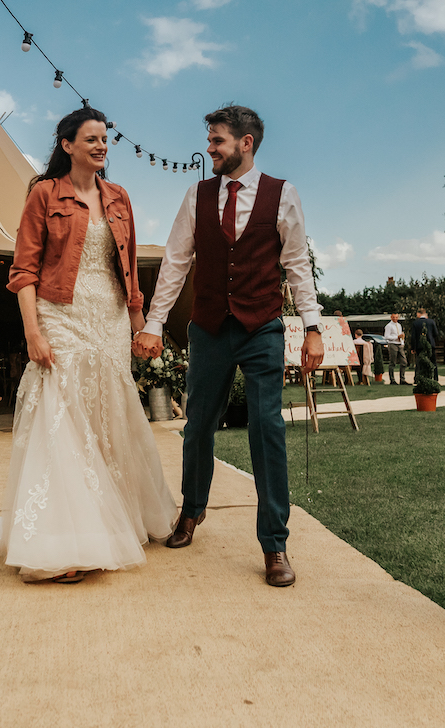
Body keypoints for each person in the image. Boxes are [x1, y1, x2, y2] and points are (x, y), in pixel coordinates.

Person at [0, 108, 178, 583]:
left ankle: (115, 519)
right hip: (61, 314)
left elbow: (130, 269)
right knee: (63, 418)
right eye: (92, 139)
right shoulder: (43, 194)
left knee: (109, 415)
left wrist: (142, 326)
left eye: (105, 139)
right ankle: (60, 540)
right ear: (67, 145)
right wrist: (34, 332)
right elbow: (23, 271)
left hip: (110, 320)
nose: (101, 146)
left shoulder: (118, 198)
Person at [133, 103, 323, 588]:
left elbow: (298, 263)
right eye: (211, 140)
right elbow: (175, 261)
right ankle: (191, 512)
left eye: (217, 140)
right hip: (211, 327)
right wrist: (154, 324)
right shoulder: (197, 195)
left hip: (262, 326)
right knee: (197, 426)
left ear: (246, 143)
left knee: (267, 428)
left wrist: (314, 326)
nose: (210, 149)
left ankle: (275, 544)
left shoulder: (283, 195)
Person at [383, 312, 407, 385]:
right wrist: (396, 337)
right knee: (393, 362)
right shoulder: (389, 326)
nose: (395, 319)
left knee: (404, 362)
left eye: (396, 317)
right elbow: (386, 336)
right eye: (394, 317)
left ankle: (402, 379)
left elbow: (399, 334)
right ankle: (392, 379)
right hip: (393, 344)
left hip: (400, 344)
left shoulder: (399, 325)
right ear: (391, 317)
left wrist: (402, 340)